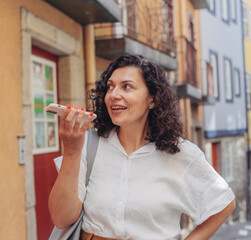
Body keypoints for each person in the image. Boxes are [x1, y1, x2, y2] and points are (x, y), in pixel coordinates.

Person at [48, 54, 235, 240]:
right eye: (110, 87)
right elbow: (61, 218)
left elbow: (223, 204)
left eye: (126, 87)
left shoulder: (179, 153)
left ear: (152, 99)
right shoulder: (87, 144)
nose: (113, 95)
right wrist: (72, 152)